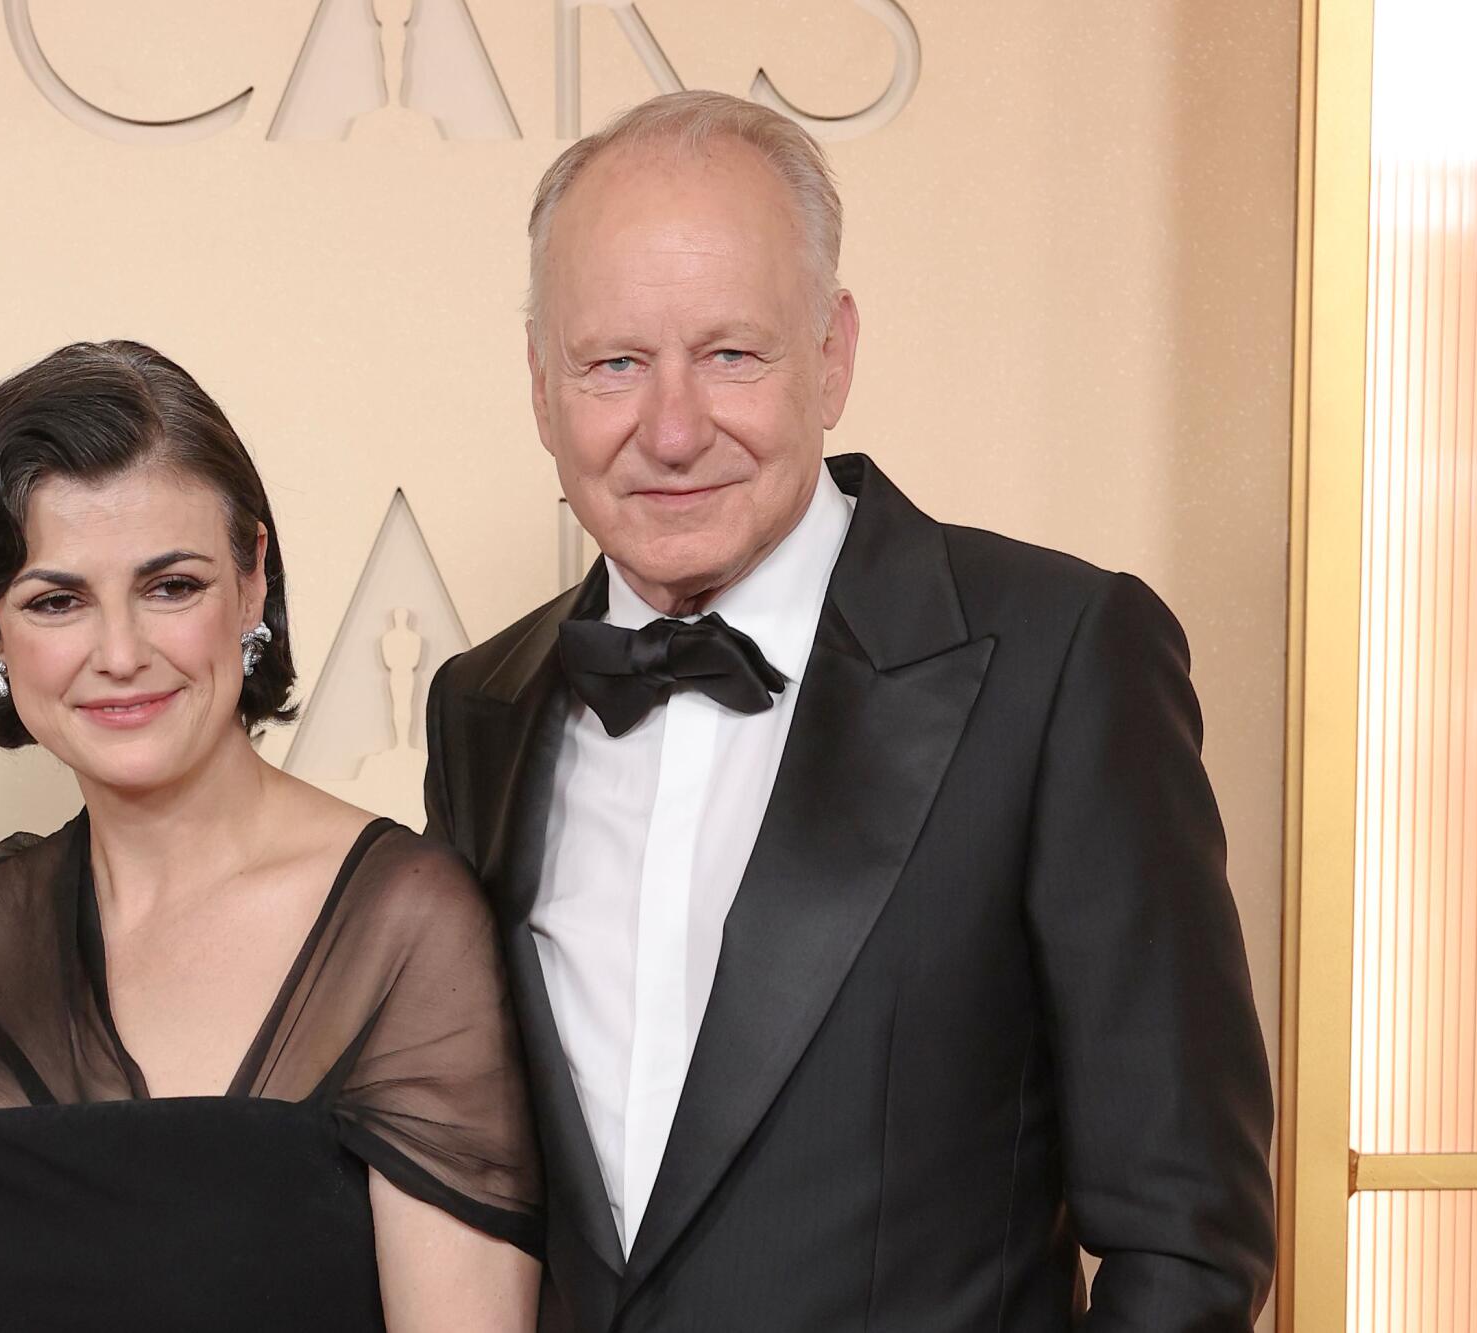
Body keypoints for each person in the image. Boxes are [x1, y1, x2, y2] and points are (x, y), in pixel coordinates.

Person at [422, 91, 1277, 1331]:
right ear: (542, 387)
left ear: (831, 352)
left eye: (731, 354)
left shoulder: (1059, 656)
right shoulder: (481, 708)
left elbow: (1186, 1239)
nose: (670, 429)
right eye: (612, 362)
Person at [0, 341, 541, 1333]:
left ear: (251, 580)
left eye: (170, 585)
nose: (122, 653)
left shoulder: (402, 923)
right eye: (56, 601)